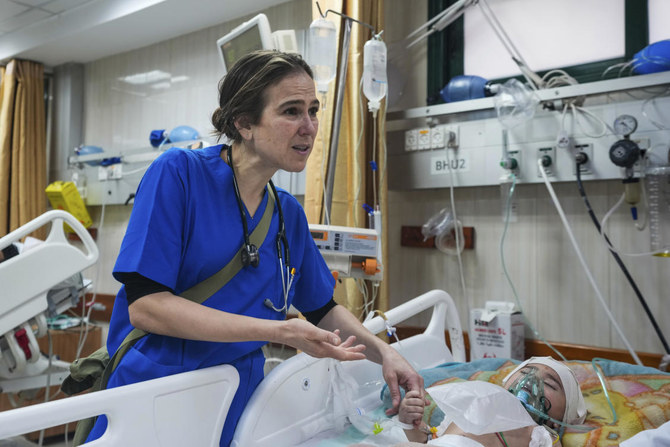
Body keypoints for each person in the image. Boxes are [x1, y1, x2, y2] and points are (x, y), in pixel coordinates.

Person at [85, 50, 423, 446]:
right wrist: (279, 331)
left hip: (238, 399)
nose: (309, 127)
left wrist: (386, 355)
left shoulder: (287, 215)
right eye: (291, 111)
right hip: (157, 394)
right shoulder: (179, 175)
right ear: (243, 122)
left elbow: (322, 310)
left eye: (313, 110)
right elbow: (146, 306)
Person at [397, 357, 587, 446]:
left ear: (559, 419)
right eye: (524, 372)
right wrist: (409, 423)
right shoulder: (475, 404)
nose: (531, 382)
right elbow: (428, 440)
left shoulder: (542, 435)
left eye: (549, 384)